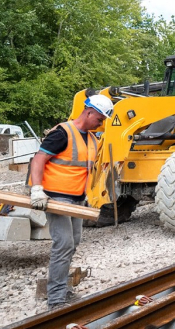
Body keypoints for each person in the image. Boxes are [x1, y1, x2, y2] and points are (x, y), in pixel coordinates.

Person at [29, 94, 114, 309]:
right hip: (56, 198)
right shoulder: (62, 133)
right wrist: (37, 190)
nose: (101, 123)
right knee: (63, 244)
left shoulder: (93, 139)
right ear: (89, 112)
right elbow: (39, 159)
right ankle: (56, 299)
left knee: (73, 243)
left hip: (78, 200)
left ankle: (62, 288)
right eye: (100, 119)